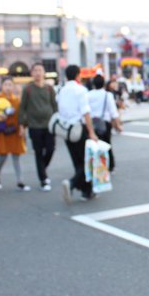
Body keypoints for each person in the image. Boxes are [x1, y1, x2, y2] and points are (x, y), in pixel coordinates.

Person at [57, 64, 99, 203]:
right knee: (87, 160)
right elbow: (86, 112)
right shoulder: (80, 90)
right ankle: (72, 183)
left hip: (66, 129)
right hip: (79, 128)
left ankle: (86, 191)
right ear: (77, 75)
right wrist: (91, 132)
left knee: (77, 161)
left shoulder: (61, 90)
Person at [0, 77, 29, 191]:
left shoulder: (17, 100)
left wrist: (22, 127)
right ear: (2, 86)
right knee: (2, 156)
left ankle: (20, 181)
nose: (8, 87)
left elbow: (21, 115)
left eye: (10, 85)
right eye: (6, 85)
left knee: (16, 156)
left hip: (14, 132)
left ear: (13, 86)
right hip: (2, 132)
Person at [18, 63, 57, 191]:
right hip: (34, 126)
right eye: (35, 70)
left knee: (51, 149)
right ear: (32, 73)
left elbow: (54, 106)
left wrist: (57, 121)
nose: (38, 73)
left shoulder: (49, 89)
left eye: (40, 70)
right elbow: (22, 108)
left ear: (44, 72)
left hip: (49, 125)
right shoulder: (28, 89)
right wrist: (21, 125)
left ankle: (42, 169)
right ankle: (43, 179)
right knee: (38, 152)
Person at [87, 74, 123, 172]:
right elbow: (113, 112)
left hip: (92, 123)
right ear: (103, 84)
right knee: (107, 145)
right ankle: (109, 166)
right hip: (105, 123)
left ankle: (95, 166)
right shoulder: (107, 95)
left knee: (94, 146)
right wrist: (118, 125)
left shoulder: (88, 95)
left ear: (93, 84)